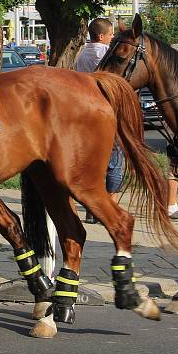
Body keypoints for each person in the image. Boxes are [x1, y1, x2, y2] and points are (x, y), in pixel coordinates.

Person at [74, 18, 121, 223]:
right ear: (101, 36)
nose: (112, 38)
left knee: (93, 163)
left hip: (84, 112)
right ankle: (110, 207)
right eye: (110, 35)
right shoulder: (106, 54)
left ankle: (91, 209)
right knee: (115, 161)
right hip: (106, 110)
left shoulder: (81, 55)